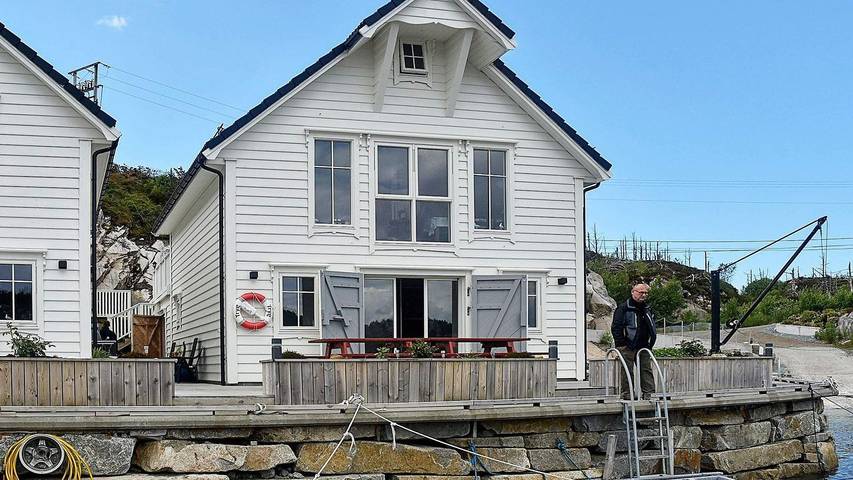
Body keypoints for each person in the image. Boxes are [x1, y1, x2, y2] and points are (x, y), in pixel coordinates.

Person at [611, 283, 657, 400]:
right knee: (627, 371)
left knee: (646, 370)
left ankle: (649, 394)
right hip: (628, 345)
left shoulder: (647, 308)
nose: (644, 295)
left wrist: (651, 342)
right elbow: (616, 327)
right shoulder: (623, 308)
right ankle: (627, 394)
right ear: (633, 292)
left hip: (644, 345)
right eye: (641, 292)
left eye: (646, 293)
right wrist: (621, 344)